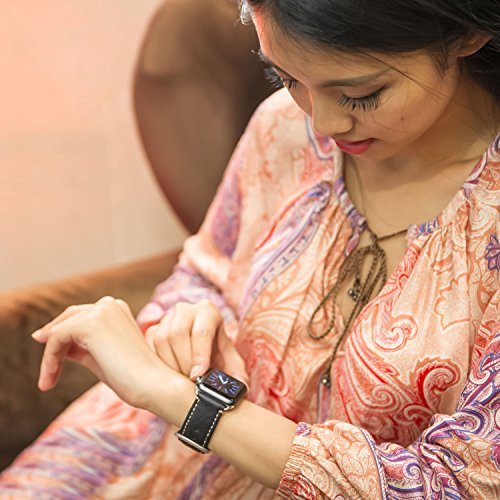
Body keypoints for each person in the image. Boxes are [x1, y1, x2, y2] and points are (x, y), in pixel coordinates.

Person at [1, 0, 499, 497]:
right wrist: (189, 317)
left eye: (360, 95)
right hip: (145, 449)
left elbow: (460, 484)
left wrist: (177, 398)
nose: (322, 124)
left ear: (465, 33)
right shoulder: (283, 126)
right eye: (286, 78)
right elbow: (203, 272)